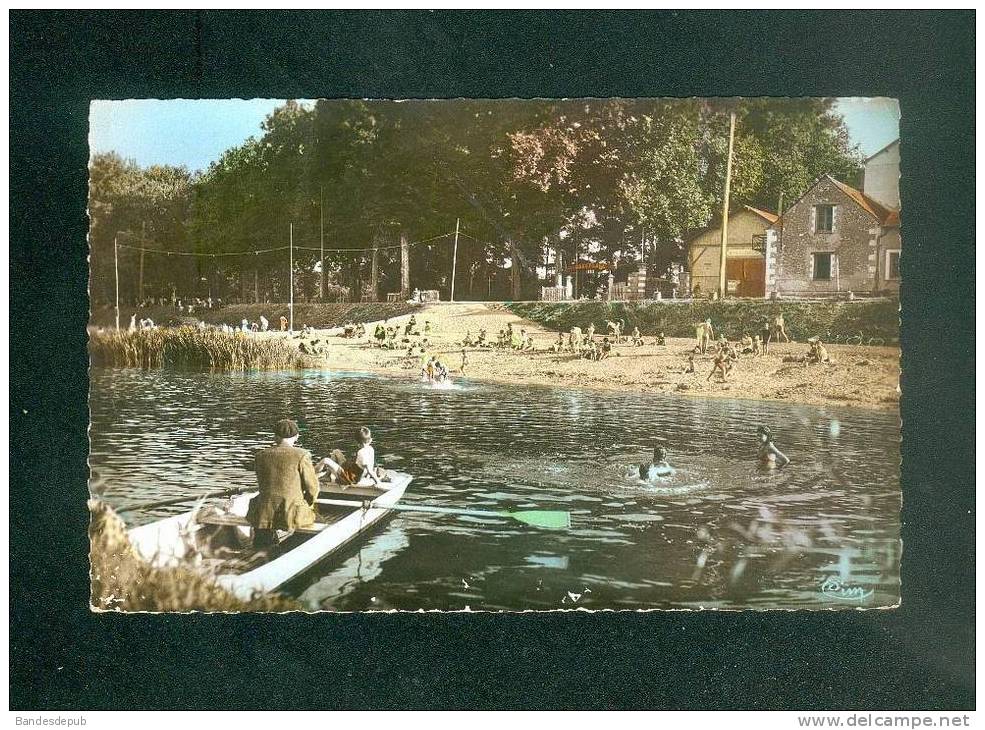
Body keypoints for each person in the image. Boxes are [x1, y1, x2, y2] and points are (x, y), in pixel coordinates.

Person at [247, 419, 321, 548]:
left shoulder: (260, 455)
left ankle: (262, 546)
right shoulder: (302, 455)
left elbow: (261, 483)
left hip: (264, 512)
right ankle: (291, 546)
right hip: (292, 512)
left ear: (275, 437)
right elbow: (313, 489)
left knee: (262, 516)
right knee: (314, 518)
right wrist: (308, 503)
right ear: (297, 437)